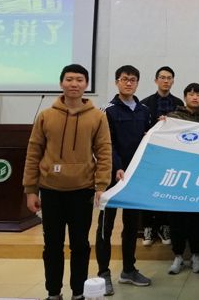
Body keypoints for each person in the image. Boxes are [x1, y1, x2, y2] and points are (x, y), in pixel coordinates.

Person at [23, 64, 112, 300]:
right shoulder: (46, 116)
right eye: (69, 79)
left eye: (79, 80)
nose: (74, 84)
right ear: (61, 83)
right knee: (52, 245)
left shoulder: (97, 116)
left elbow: (104, 152)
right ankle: (53, 293)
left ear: (86, 84)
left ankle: (79, 293)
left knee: (80, 245)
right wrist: (30, 190)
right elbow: (33, 152)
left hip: (82, 191)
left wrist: (101, 186)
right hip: (50, 191)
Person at [96, 65, 152, 295]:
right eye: (124, 79)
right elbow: (106, 144)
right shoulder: (107, 110)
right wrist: (117, 167)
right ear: (117, 82)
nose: (129, 83)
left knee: (131, 226)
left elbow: (148, 139)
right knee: (105, 227)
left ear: (137, 83)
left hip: (134, 178)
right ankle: (103, 273)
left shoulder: (144, 110)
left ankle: (128, 270)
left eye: (133, 80)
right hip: (112, 176)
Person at [166, 83, 199, 275]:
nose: (195, 97)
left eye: (198, 94)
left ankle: (196, 255)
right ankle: (178, 256)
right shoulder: (172, 118)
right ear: (185, 97)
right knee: (177, 219)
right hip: (178, 176)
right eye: (191, 94)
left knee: (197, 220)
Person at [139, 66, 182, 246]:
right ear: (156, 80)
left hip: (171, 156)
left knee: (166, 191)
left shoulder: (179, 103)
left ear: (173, 81)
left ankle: (164, 226)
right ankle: (148, 227)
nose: (166, 81)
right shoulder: (145, 104)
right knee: (148, 191)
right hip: (150, 155)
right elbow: (141, 128)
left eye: (169, 78)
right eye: (162, 77)